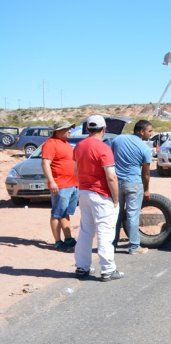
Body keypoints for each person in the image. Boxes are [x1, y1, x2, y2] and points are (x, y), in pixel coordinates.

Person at [73, 115, 123, 281]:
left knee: (86, 231)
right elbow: (111, 177)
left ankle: (82, 266)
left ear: (88, 129)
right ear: (104, 129)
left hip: (84, 192)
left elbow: (76, 169)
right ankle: (108, 269)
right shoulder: (103, 148)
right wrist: (115, 199)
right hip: (100, 194)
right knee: (105, 232)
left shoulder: (79, 146)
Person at [111, 120, 154, 255]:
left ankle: (111, 245)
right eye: (149, 131)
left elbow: (109, 159)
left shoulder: (118, 139)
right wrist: (146, 189)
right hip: (134, 184)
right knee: (132, 215)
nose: (151, 134)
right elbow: (146, 173)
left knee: (116, 214)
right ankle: (134, 246)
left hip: (116, 183)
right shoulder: (144, 148)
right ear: (141, 131)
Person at [40, 120, 78, 252]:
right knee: (57, 213)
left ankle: (68, 238)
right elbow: (45, 163)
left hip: (72, 184)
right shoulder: (50, 143)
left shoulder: (66, 143)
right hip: (60, 185)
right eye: (67, 129)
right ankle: (57, 241)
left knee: (65, 213)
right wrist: (51, 181)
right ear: (58, 131)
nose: (69, 131)